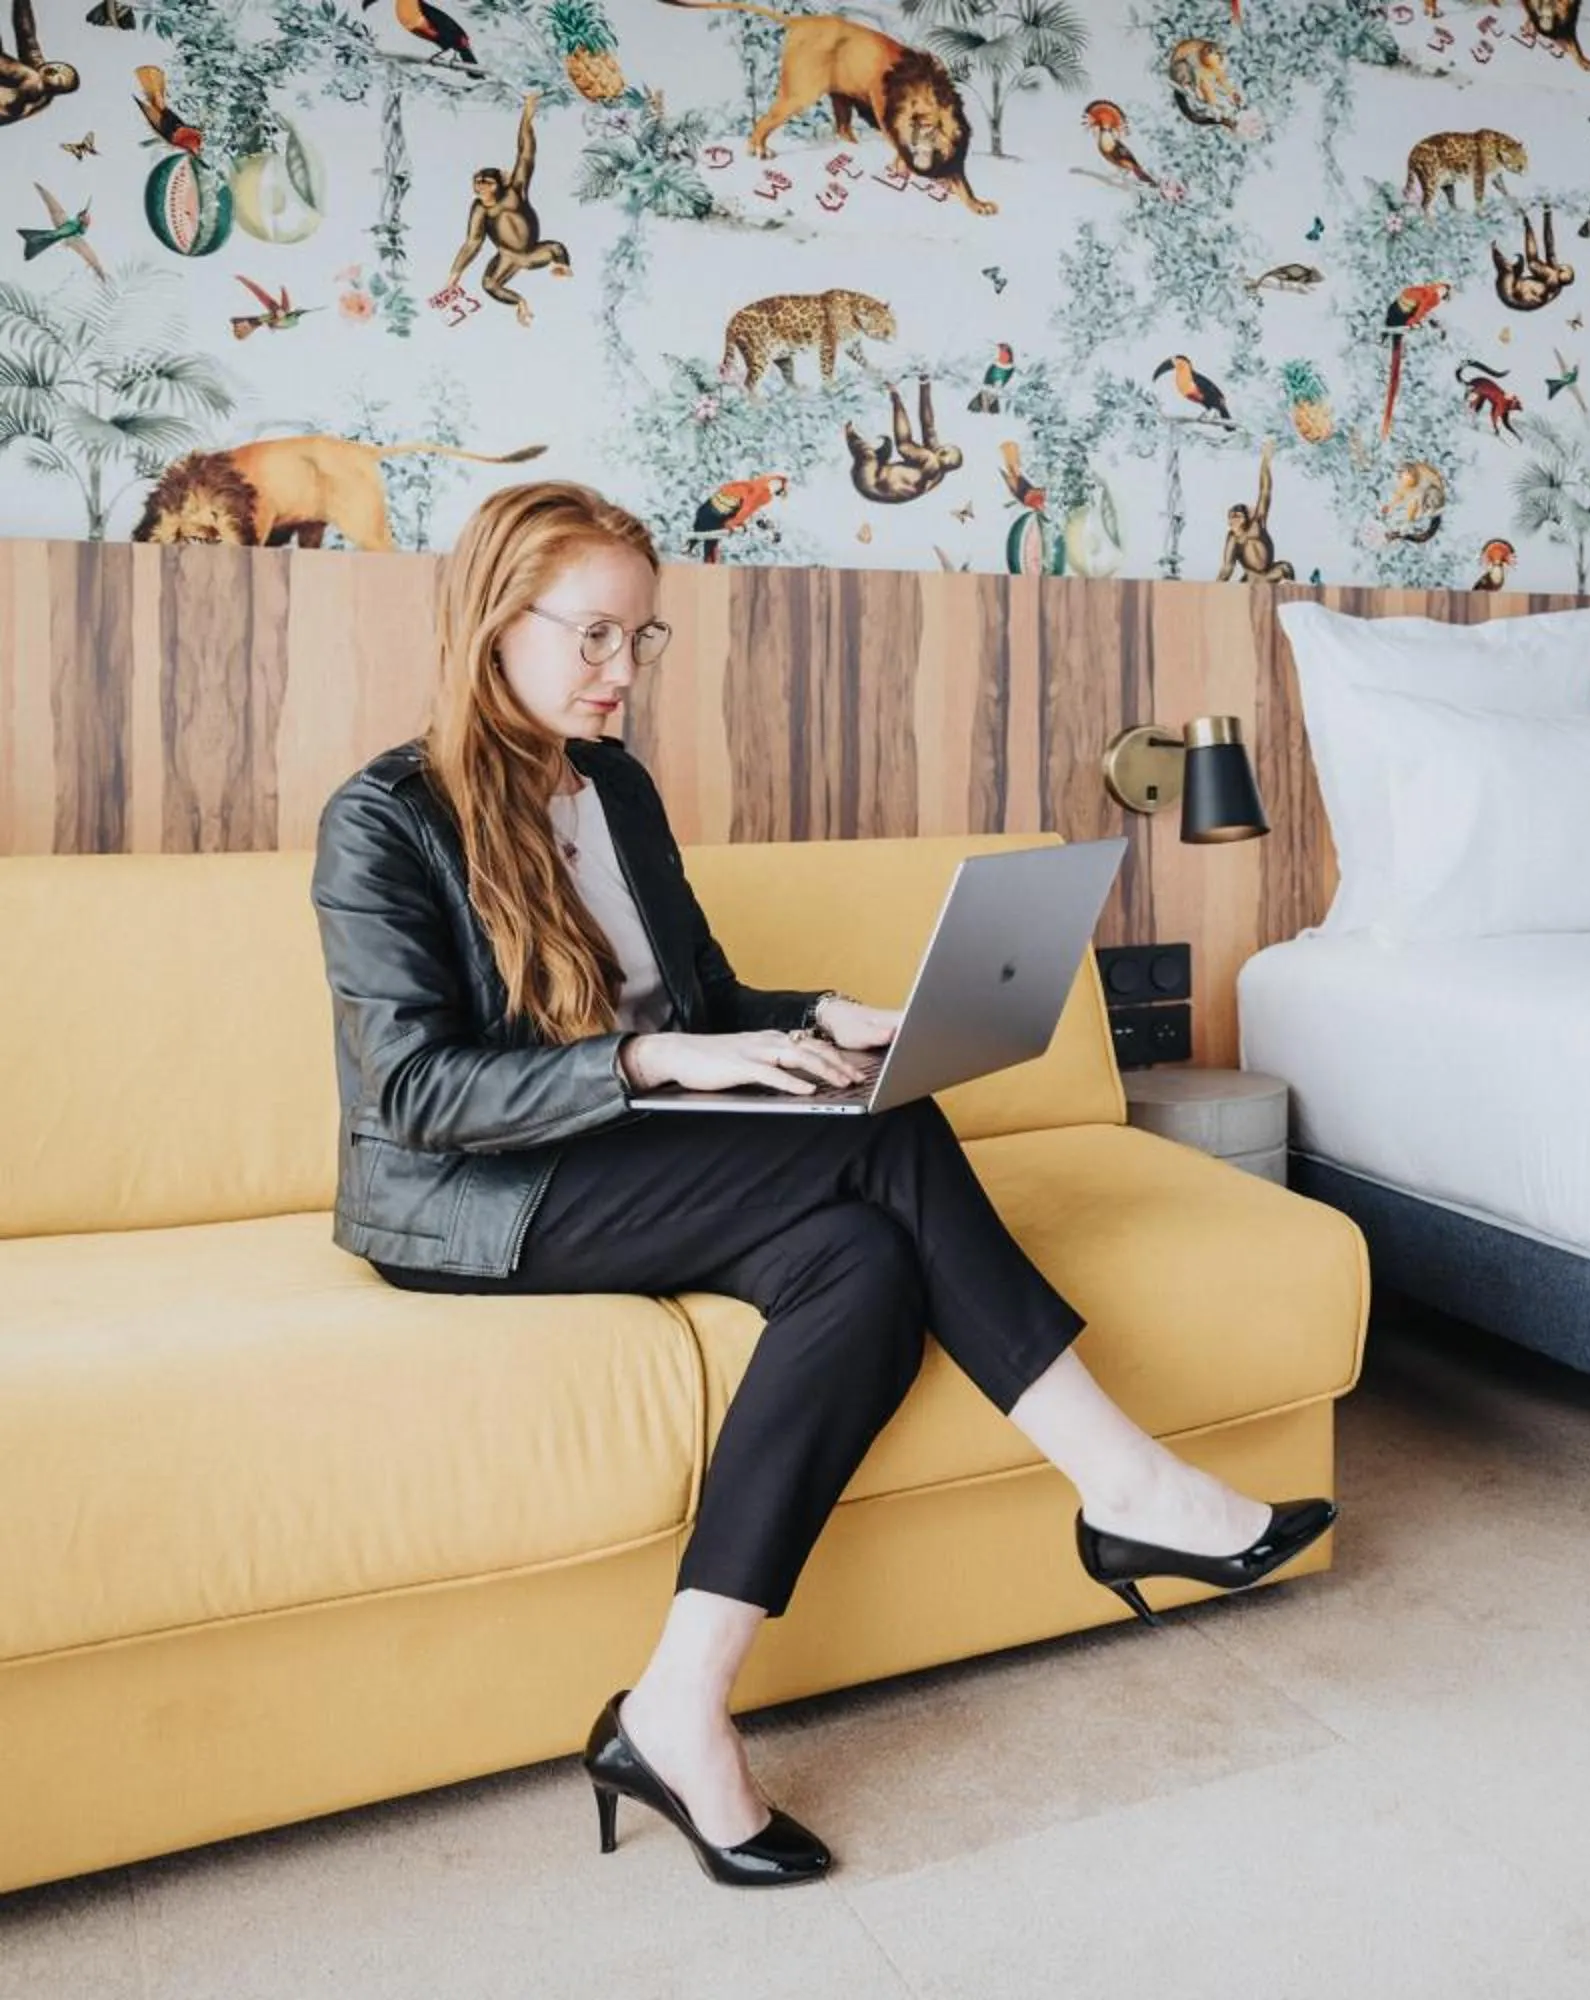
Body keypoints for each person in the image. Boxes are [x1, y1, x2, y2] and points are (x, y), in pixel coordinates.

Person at [309, 481, 1334, 1888]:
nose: (624, 674)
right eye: (596, 637)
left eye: (643, 640)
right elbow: (416, 1097)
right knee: (884, 1140)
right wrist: (667, 1062)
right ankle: (1123, 1483)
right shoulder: (383, 820)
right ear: (497, 624)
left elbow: (705, 995)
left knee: (863, 1263)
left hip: (632, 1144)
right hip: (478, 1199)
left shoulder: (613, 788)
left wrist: (832, 1017)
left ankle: (673, 1709)